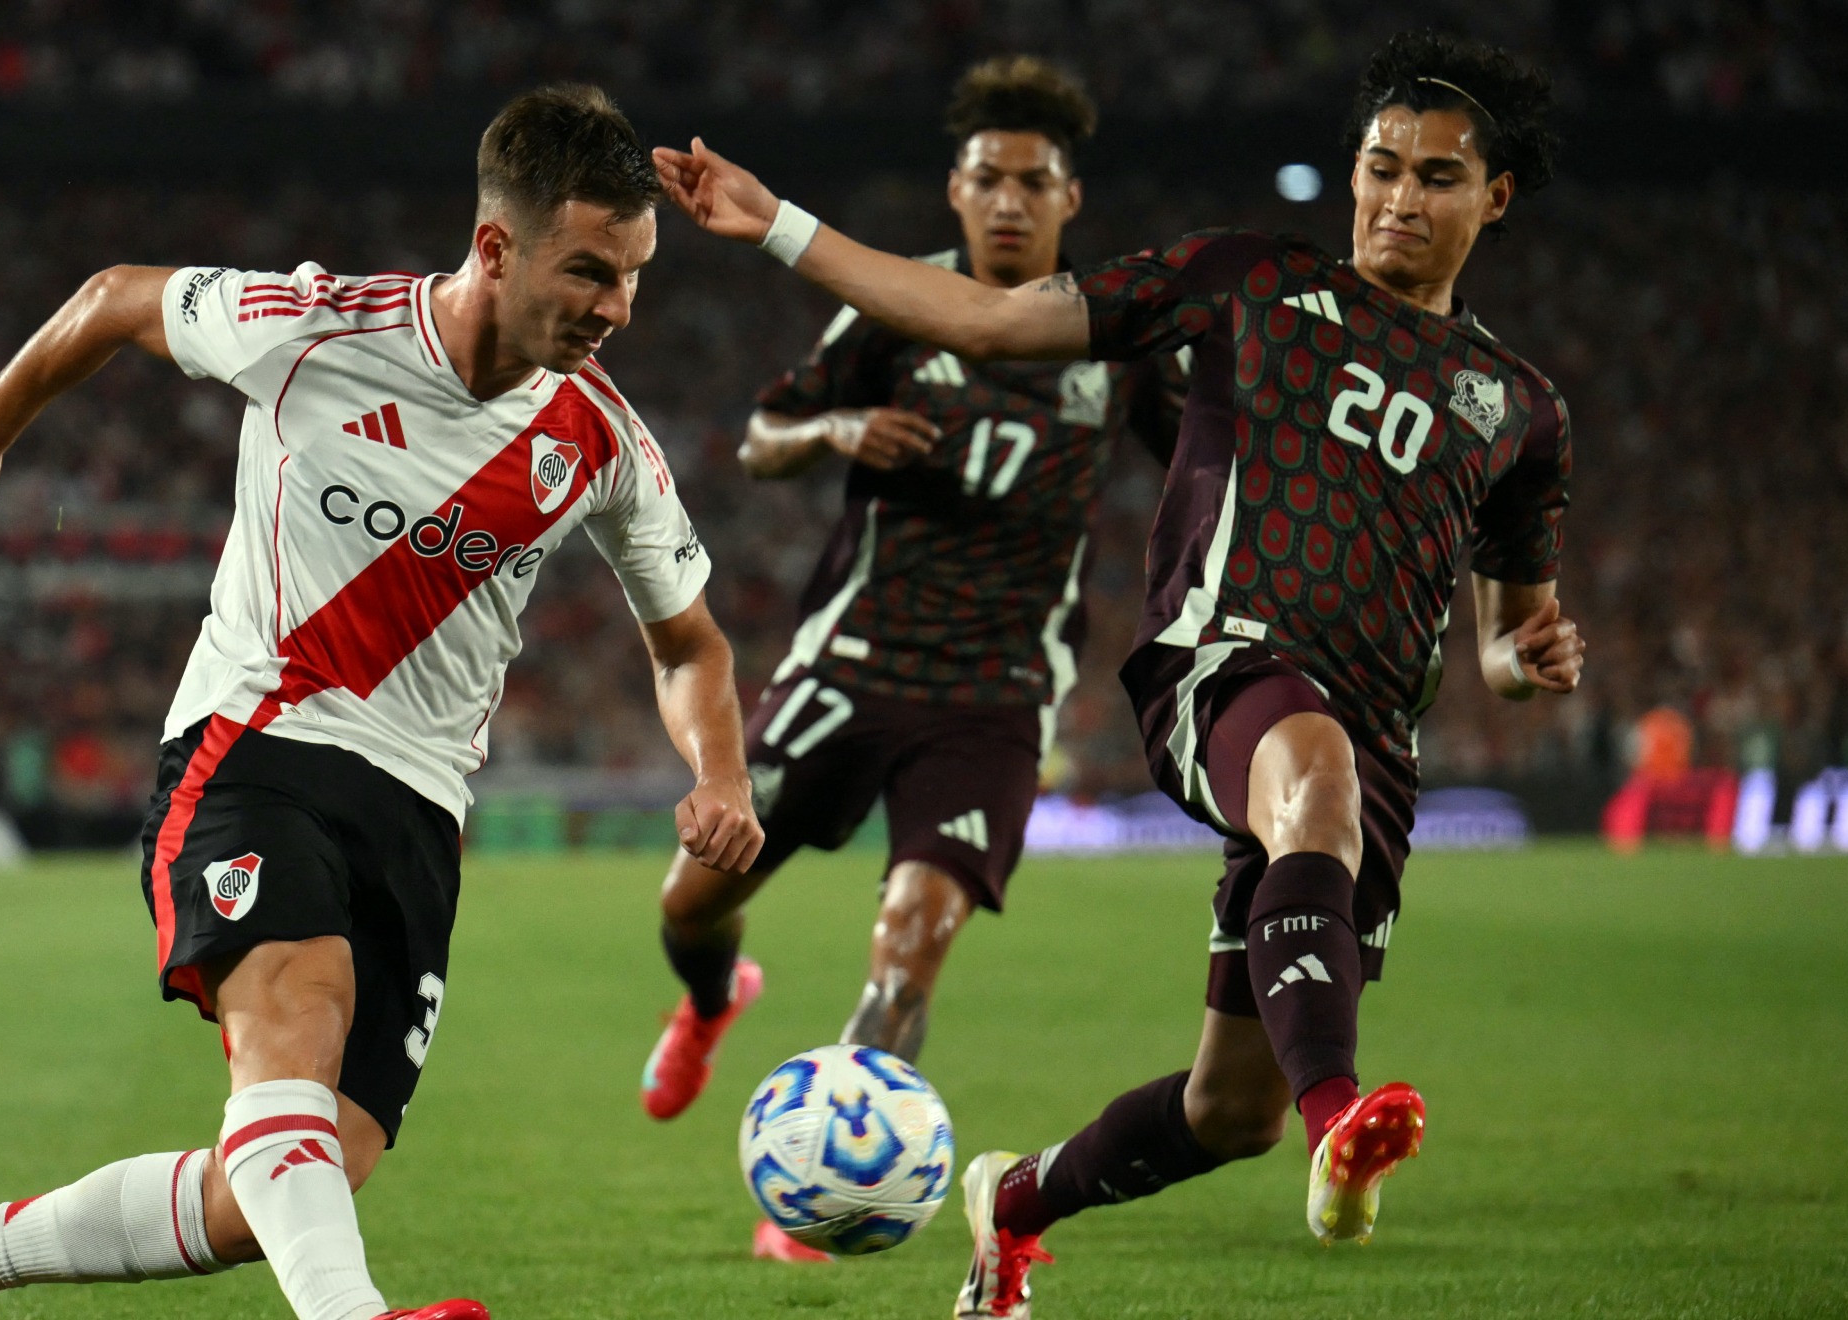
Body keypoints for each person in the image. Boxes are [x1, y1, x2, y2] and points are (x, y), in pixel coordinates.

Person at [655, 29, 1585, 1316]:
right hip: (1222, 667)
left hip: (1369, 739)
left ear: (1495, 197)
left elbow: (1505, 637)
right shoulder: (1244, 282)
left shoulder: (1519, 409)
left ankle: (1018, 1205)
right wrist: (778, 227)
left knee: (1225, 1111)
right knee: (1309, 786)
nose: (1396, 199)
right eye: (1379, 167)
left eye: (1434, 178)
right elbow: (983, 314)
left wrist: (1527, 658)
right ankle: (1344, 1118)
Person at [0, 85, 762, 1320]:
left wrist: (720, 773)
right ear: (494, 247)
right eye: (591, 273)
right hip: (256, 747)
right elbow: (121, 294)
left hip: (422, 810)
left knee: (292, 1178)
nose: (618, 310)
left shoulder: (601, 444)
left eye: (636, 277)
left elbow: (689, 648)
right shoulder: (314, 327)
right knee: (298, 1007)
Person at [634, 55, 1184, 1264]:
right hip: (856, 664)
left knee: (915, 937)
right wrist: (836, 428)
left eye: (1031, 183)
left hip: (992, 697)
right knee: (692, 898)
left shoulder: (1116, 344)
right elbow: (761, 437)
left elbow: (1204, 466)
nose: (1006, 201)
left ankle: (831, 1196)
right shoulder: (891, 306)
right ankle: (714, 997)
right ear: (954, 188)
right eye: (986, 178)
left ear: (1069, 202)